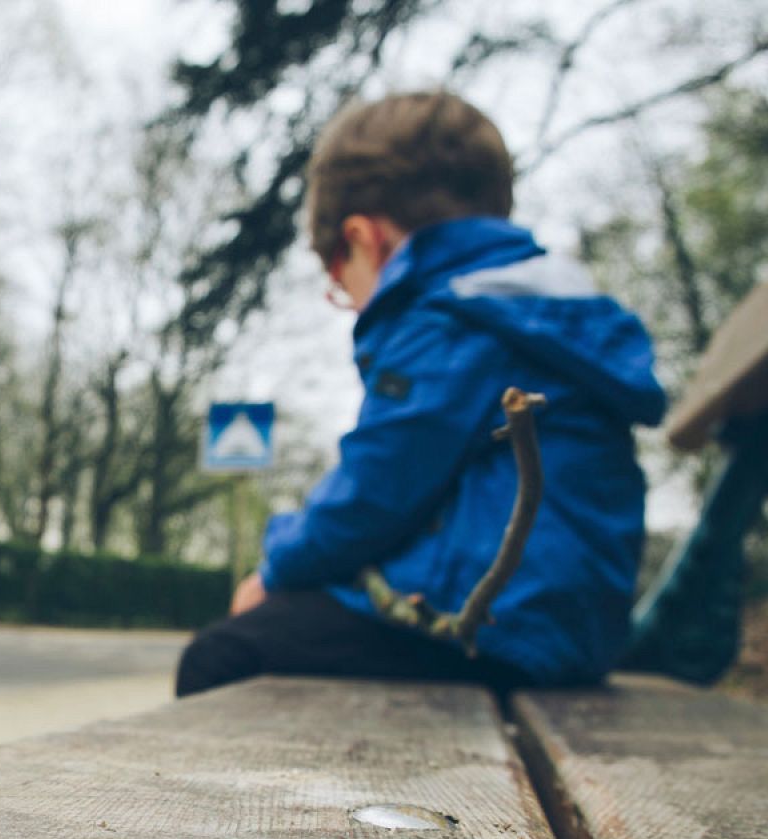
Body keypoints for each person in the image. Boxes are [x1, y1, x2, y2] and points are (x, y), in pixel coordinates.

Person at [175, 91, 666, 698]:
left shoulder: (452, 321)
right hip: (565, 631)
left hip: (489, 630)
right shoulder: (539, 310)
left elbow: (374, 494)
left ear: (364, 238)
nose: (351, 303)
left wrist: (273, 571)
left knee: (222, 656)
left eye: (341, 283)